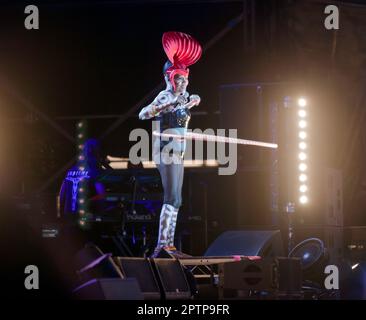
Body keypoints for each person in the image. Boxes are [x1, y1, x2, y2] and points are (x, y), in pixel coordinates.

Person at [139, 31, 202, 256]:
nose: (183, 83)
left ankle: (167, 244)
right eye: (179, 79)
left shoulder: (181, 97)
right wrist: (159, 108)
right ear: (169, 77)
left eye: (185, 79)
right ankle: (162, 245)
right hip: (167, 149)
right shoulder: (166, 96)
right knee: (172, 197)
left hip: (178, 151)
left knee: (177, 198)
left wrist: (193, 100)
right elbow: (142, 114)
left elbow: (188, 101)